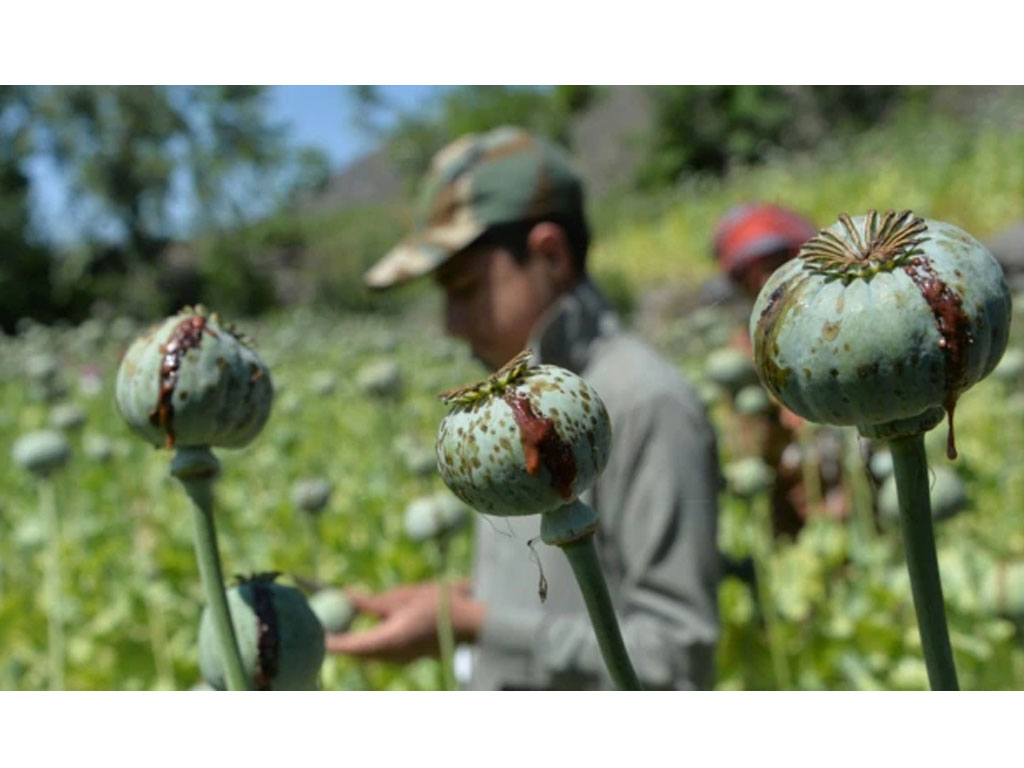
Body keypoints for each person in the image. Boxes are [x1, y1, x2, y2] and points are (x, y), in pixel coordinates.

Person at [327, 126, 721, 690]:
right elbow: (556, 589)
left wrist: (476, 626)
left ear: (550, 255)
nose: (450, 324)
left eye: (463, 289)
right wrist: (453, 601)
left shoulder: (645, 402)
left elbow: (677, 661)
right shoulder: (513, 410)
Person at [711, 203, 848, 536]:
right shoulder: (741, 348)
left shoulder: (840, 327)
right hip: (786, 487)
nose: (763, 282)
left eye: (773, 267)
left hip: (842, 475)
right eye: (750, 274)